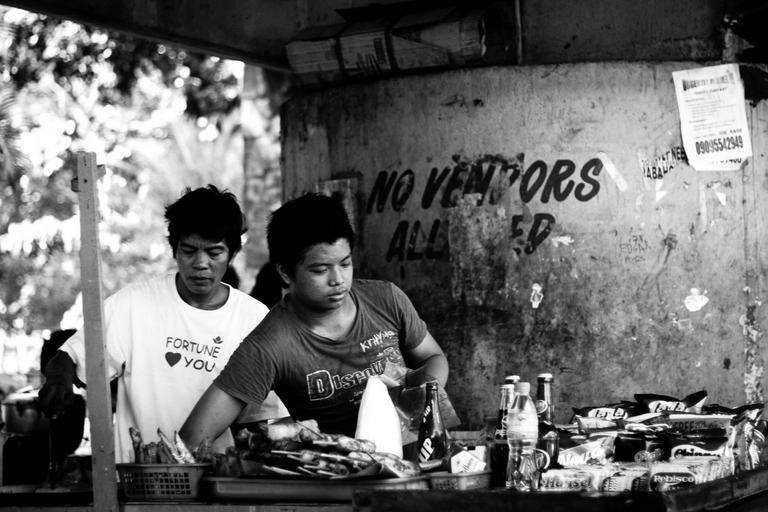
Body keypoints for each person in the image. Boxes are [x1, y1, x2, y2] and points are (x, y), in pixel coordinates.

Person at [181, 193, 449, 447]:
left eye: (345, 264)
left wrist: (419, 399)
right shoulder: (270, 345)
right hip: (340, 472)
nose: (338, 280)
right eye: (320, 270)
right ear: (285, 272)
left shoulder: (386, 299)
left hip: (421, 459)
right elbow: (194, 435)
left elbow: (433, 357)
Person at [38, 185, 274, 463]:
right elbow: (71, 356)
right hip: (139, 477)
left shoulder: (253, 318)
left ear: (232, 254)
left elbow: (260, 418)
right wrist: (59, 378)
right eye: (189, 251)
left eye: (214, 253)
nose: (201, 263)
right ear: (174, 250)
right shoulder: (133, 304)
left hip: (218, 478)